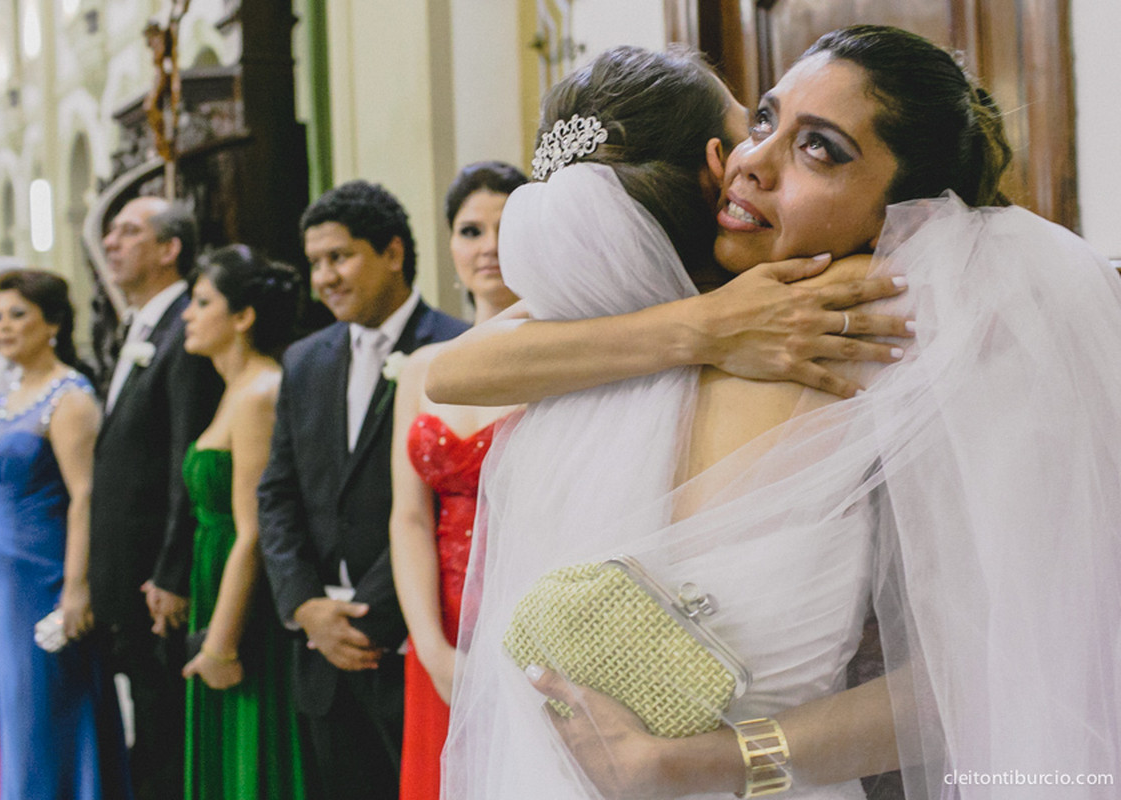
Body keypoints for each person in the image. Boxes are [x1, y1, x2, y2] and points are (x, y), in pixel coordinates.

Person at [444, 31, 1119, 800]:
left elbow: (1001, 657)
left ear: (904, 215)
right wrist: (708, 328)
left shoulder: (902, 337)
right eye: (762, 121)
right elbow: (458, 368)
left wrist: (711, 763)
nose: (751, 161)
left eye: (820, 150)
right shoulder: (641, 327)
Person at [258, 180, 469, 799]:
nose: (325, 276)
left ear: (394, 253)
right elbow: (278, 494)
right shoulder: (304, 359)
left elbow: (444, 504)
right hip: (321, 645)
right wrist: (305, 608)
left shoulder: (454, 347)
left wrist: (369, 617)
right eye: (316, 262)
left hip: (411, 637)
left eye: (340, 256)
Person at [0, 269, 132, 800]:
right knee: (16, 709)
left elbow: (85, 496)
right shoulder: (6, 393)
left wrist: (77, 588)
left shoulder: (69, 397)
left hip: (45, 570)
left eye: (17, 315)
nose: (1, 325)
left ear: (52, 323)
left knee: (49, 705)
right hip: (0, 574)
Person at [388, 161, 528, 799]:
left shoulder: (572, 352)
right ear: (450, 246)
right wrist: (431, 646)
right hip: (438, 623)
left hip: (528, 616)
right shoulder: (420, 369)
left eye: (507, 227)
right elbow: (410, 516)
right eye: (472, 231)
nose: (489, 246)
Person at [90, 196, 223, 800]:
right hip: (127, 573)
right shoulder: (142, 326)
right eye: (110, 233)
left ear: (170, 249)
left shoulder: (183, 334)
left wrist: (171, 572)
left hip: (156, 580)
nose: (111, 243)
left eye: (128, 231)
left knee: (166, 732)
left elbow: (181, 464)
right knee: (145, 721)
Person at [178, 244, 307, 799]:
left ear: (243, 317)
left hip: (243, 595)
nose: (187, 313)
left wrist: (221, 642)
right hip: (213, 574)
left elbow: (254, 529)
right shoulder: (231, 388)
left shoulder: (260, 392)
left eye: (201, 301)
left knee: (251, 757)